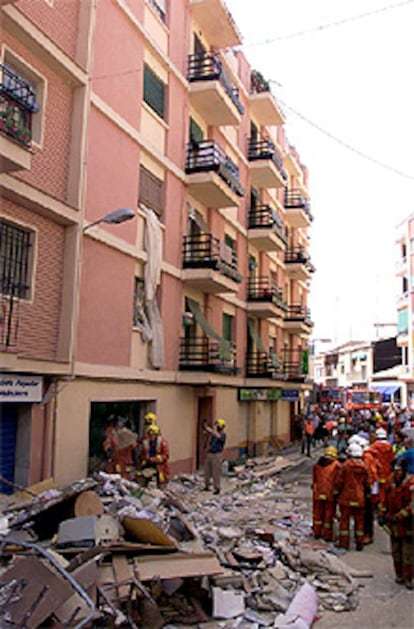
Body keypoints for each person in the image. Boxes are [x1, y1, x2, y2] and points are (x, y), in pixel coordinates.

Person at [379, 459, 414, 589]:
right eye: (395, 470)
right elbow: (384, 498)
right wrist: (382, 514)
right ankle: (399, 574)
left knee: (408, 553)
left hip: (407, 524)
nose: (396, 473)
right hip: (393, 523)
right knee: (396, 551)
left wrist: (399, 516)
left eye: (399, 470)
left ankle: (409, 577)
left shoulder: (411, 484)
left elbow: (412, 506)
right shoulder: (390, 481)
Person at [335, 442, 370, 551]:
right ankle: (359, 543)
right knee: (359, 522)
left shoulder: (346, 466)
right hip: (359, 498)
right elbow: (368, 483)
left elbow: (339, 481)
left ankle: (344, 543)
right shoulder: (364, 467)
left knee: (344, 522)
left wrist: (335, 493)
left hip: (346, 497)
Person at [312, 446, 341, 541]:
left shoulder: (318, 465)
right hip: (330, 494)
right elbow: (339, 480)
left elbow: (314, 480)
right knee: (328, 515)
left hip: (318, 493)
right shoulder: (336, 465)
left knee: (318, 514)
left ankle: (317, 532)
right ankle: (327, 534)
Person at [369, 427, 394, 508]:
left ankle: (375, 505)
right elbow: (391, 459)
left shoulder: (374, 446)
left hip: (376, 472)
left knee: (375, 490)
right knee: (384, 490)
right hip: (387, 472)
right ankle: (383, 506)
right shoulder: (389, 446)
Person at [204, 419, 226, 494]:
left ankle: (217, 488)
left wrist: (211, 431)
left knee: (216, 472)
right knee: (207, 470)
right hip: (210, 453)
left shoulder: (223, 434)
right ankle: (207, 485)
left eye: (218, 426)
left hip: (217, 454)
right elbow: (210, 442)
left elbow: (219, 437)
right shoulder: (214, 434)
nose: (217, 427)